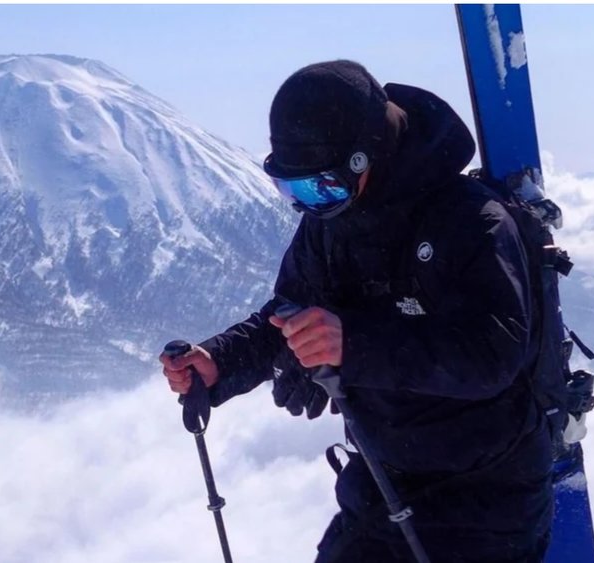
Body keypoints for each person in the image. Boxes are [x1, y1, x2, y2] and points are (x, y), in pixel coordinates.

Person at [159, 60, 553, 562]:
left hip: (487, 500)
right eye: (293, 190)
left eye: (321, 186)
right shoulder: (332, 223)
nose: (310, 204)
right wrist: (220, 363)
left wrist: (355, 345)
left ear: (366, 157)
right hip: (382, 481)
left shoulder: (470, 221)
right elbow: (289, 318)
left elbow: (493, 355)